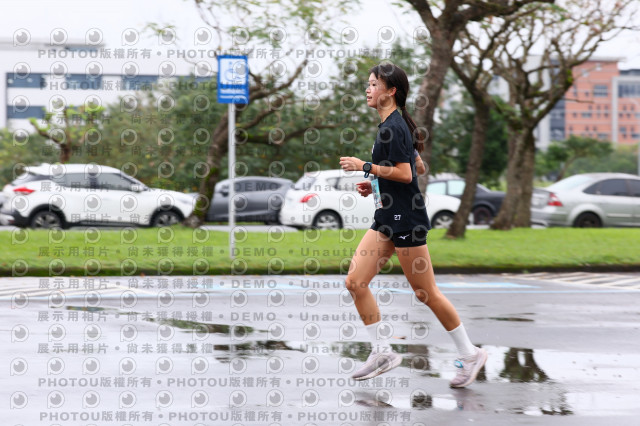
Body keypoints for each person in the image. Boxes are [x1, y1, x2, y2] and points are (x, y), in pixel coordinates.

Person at [339, 62, 487, 388]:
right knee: (355, 282)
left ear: (391, 91)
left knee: (425, 292)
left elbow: (406, 174)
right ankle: (382, 352)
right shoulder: (395, 124)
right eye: (368, 84)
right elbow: (418, 166)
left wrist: (365, 166)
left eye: (374, 84)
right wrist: (375, 184)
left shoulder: (394, 126)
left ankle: (470, 353)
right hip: (387, 218)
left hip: (406, 219)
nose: (368, 89)